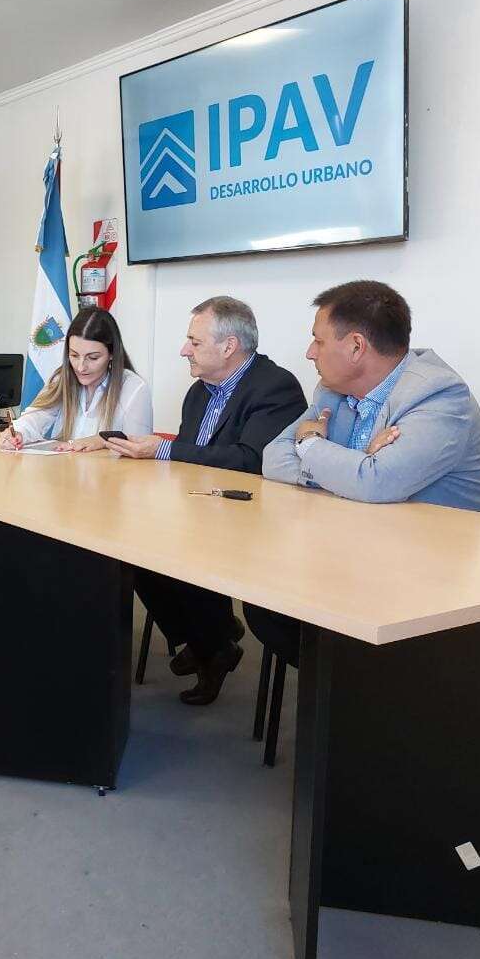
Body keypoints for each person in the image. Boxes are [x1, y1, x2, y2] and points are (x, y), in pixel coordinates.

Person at [250, 280, 480, 670]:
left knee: (316, 616)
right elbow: (273, 458)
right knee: (266, 603)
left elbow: (375, 482)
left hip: (447, 577)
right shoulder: (332, 391)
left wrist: (314, 447)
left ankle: (360, 694)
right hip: (367, 556)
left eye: (318, 341)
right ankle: (346, 694)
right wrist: (356, 466)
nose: (309, 352)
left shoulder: (439, 395)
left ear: (356, 346)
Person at [105, 296, 307, 705]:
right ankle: (211, 641)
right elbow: (190, 462)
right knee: (135, 551)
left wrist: (160, 449)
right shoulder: (199, 392)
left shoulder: (275, 387)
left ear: (229, 346)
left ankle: (212, 645)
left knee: (183, 554)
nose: (184, 350)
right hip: (198, 509)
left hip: (254, 520)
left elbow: (251, 461)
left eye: (194, 342)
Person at [0, 307, 151, 452]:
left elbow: (139, 448)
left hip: (110, 471)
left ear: (112, 354)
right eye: (74, 355)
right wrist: (18, 432)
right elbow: (36, 416)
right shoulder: (62, 378)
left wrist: (103, 441)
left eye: (93, 358)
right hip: (64, 469)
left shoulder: (134, 389)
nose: (80, 367)